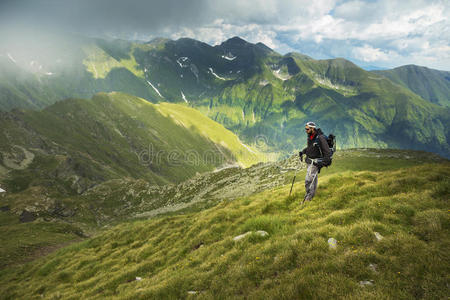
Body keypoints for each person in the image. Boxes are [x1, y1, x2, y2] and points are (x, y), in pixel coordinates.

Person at [298, 122, 331, 203]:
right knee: (313, 179)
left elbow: (327, 151)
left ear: (312, 128)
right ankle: (312, 195)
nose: (306, 130)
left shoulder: (320, 138)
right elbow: (311, 148)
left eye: (307, 129)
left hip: (315, 162)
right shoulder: (310, 137)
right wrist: (303, 151)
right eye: (305, 129)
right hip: (310, 161)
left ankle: (308, 198)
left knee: (308, 180)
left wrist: (324, 162)